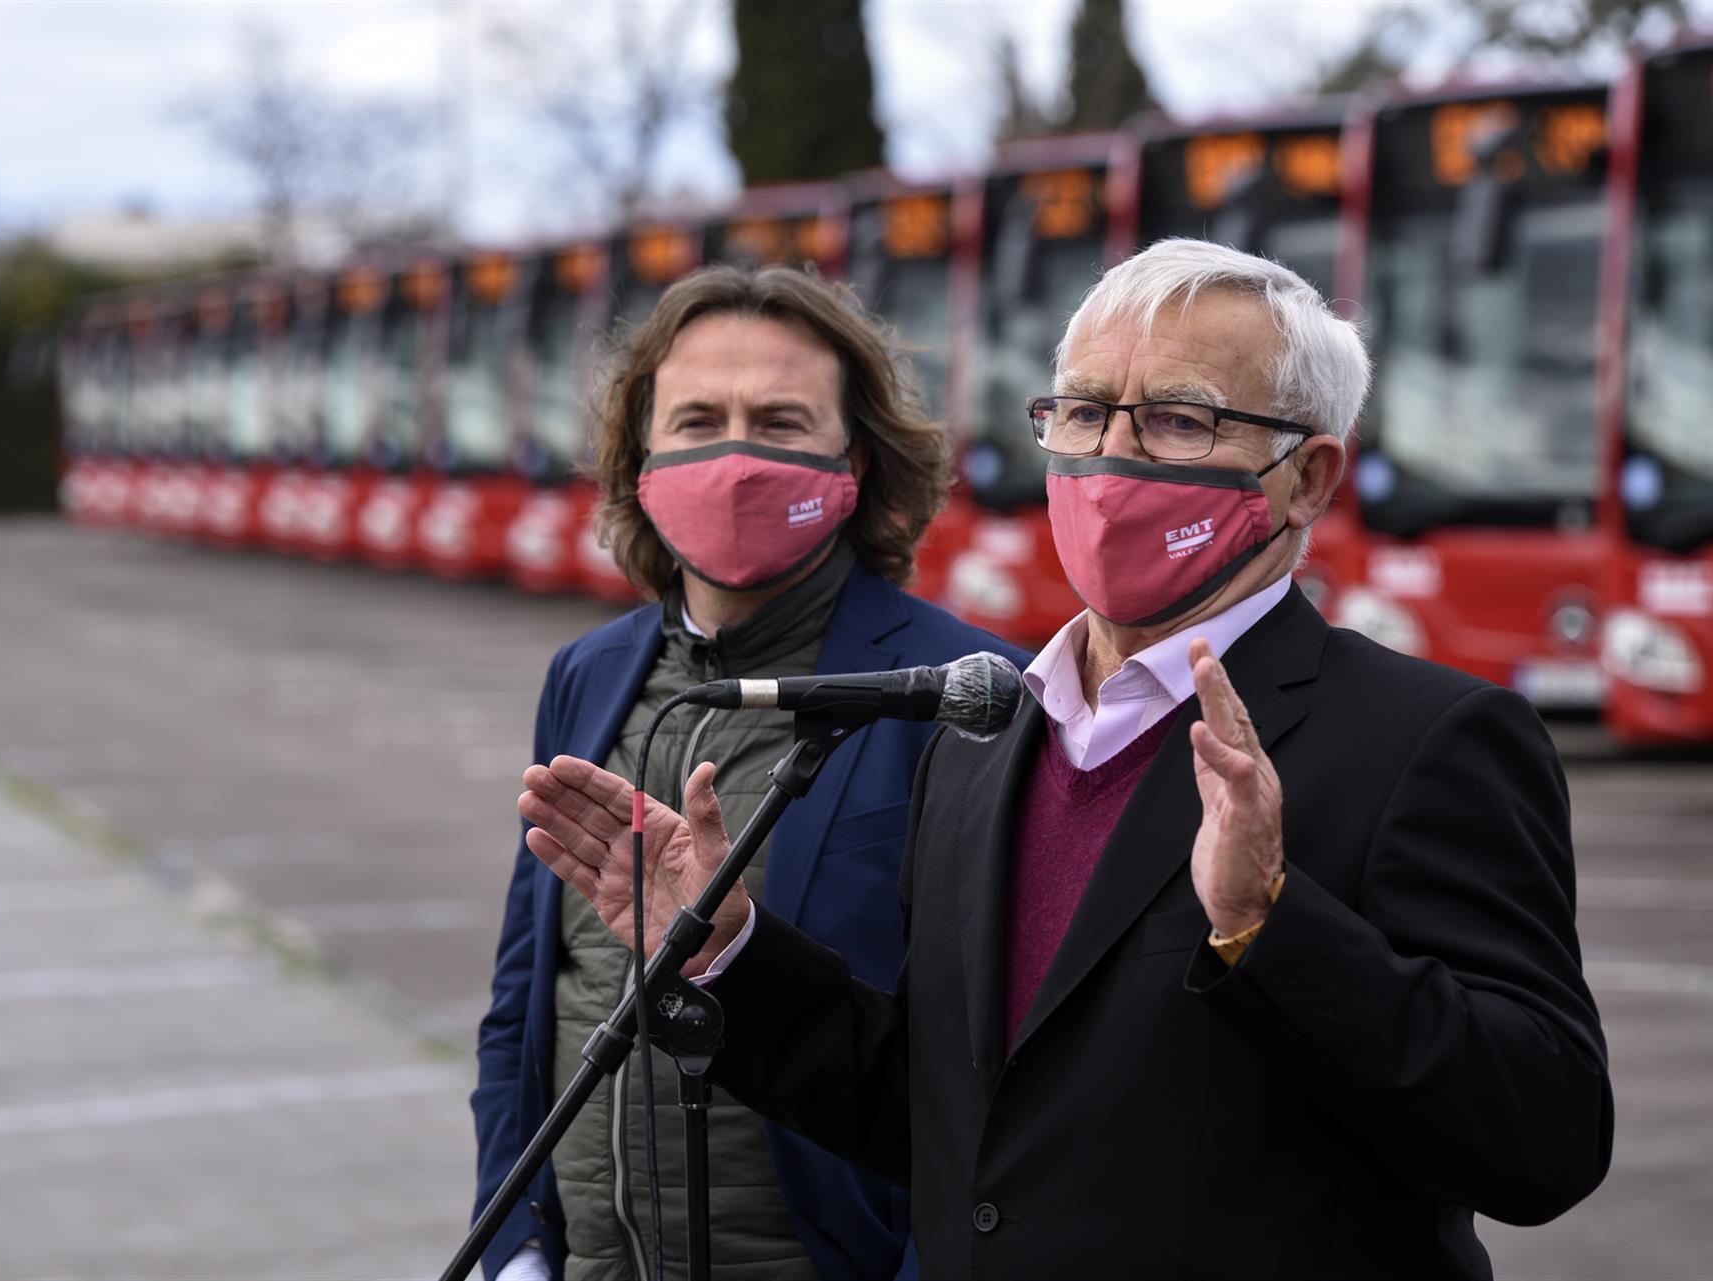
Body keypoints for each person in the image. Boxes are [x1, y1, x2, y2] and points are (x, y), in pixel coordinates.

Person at [519, 240, 1614, 1279]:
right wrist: (728, 954)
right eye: (1084, 412)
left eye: (1181, 421)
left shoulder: (1427, 738)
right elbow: (950, 1123)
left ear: (1308, 479)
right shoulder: (985, 734)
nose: (1110, 456)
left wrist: (1271, 929)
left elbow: (1544, 1138)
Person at [473, 264, 1030, 1281]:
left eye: (778, 421)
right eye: (697, 420)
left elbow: (1001, 1071)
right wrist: (514, 1244)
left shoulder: (963, 696)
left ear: (854, 457)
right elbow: (526, 996)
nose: (734, 455)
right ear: (640, 454)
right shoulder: (588, 675)